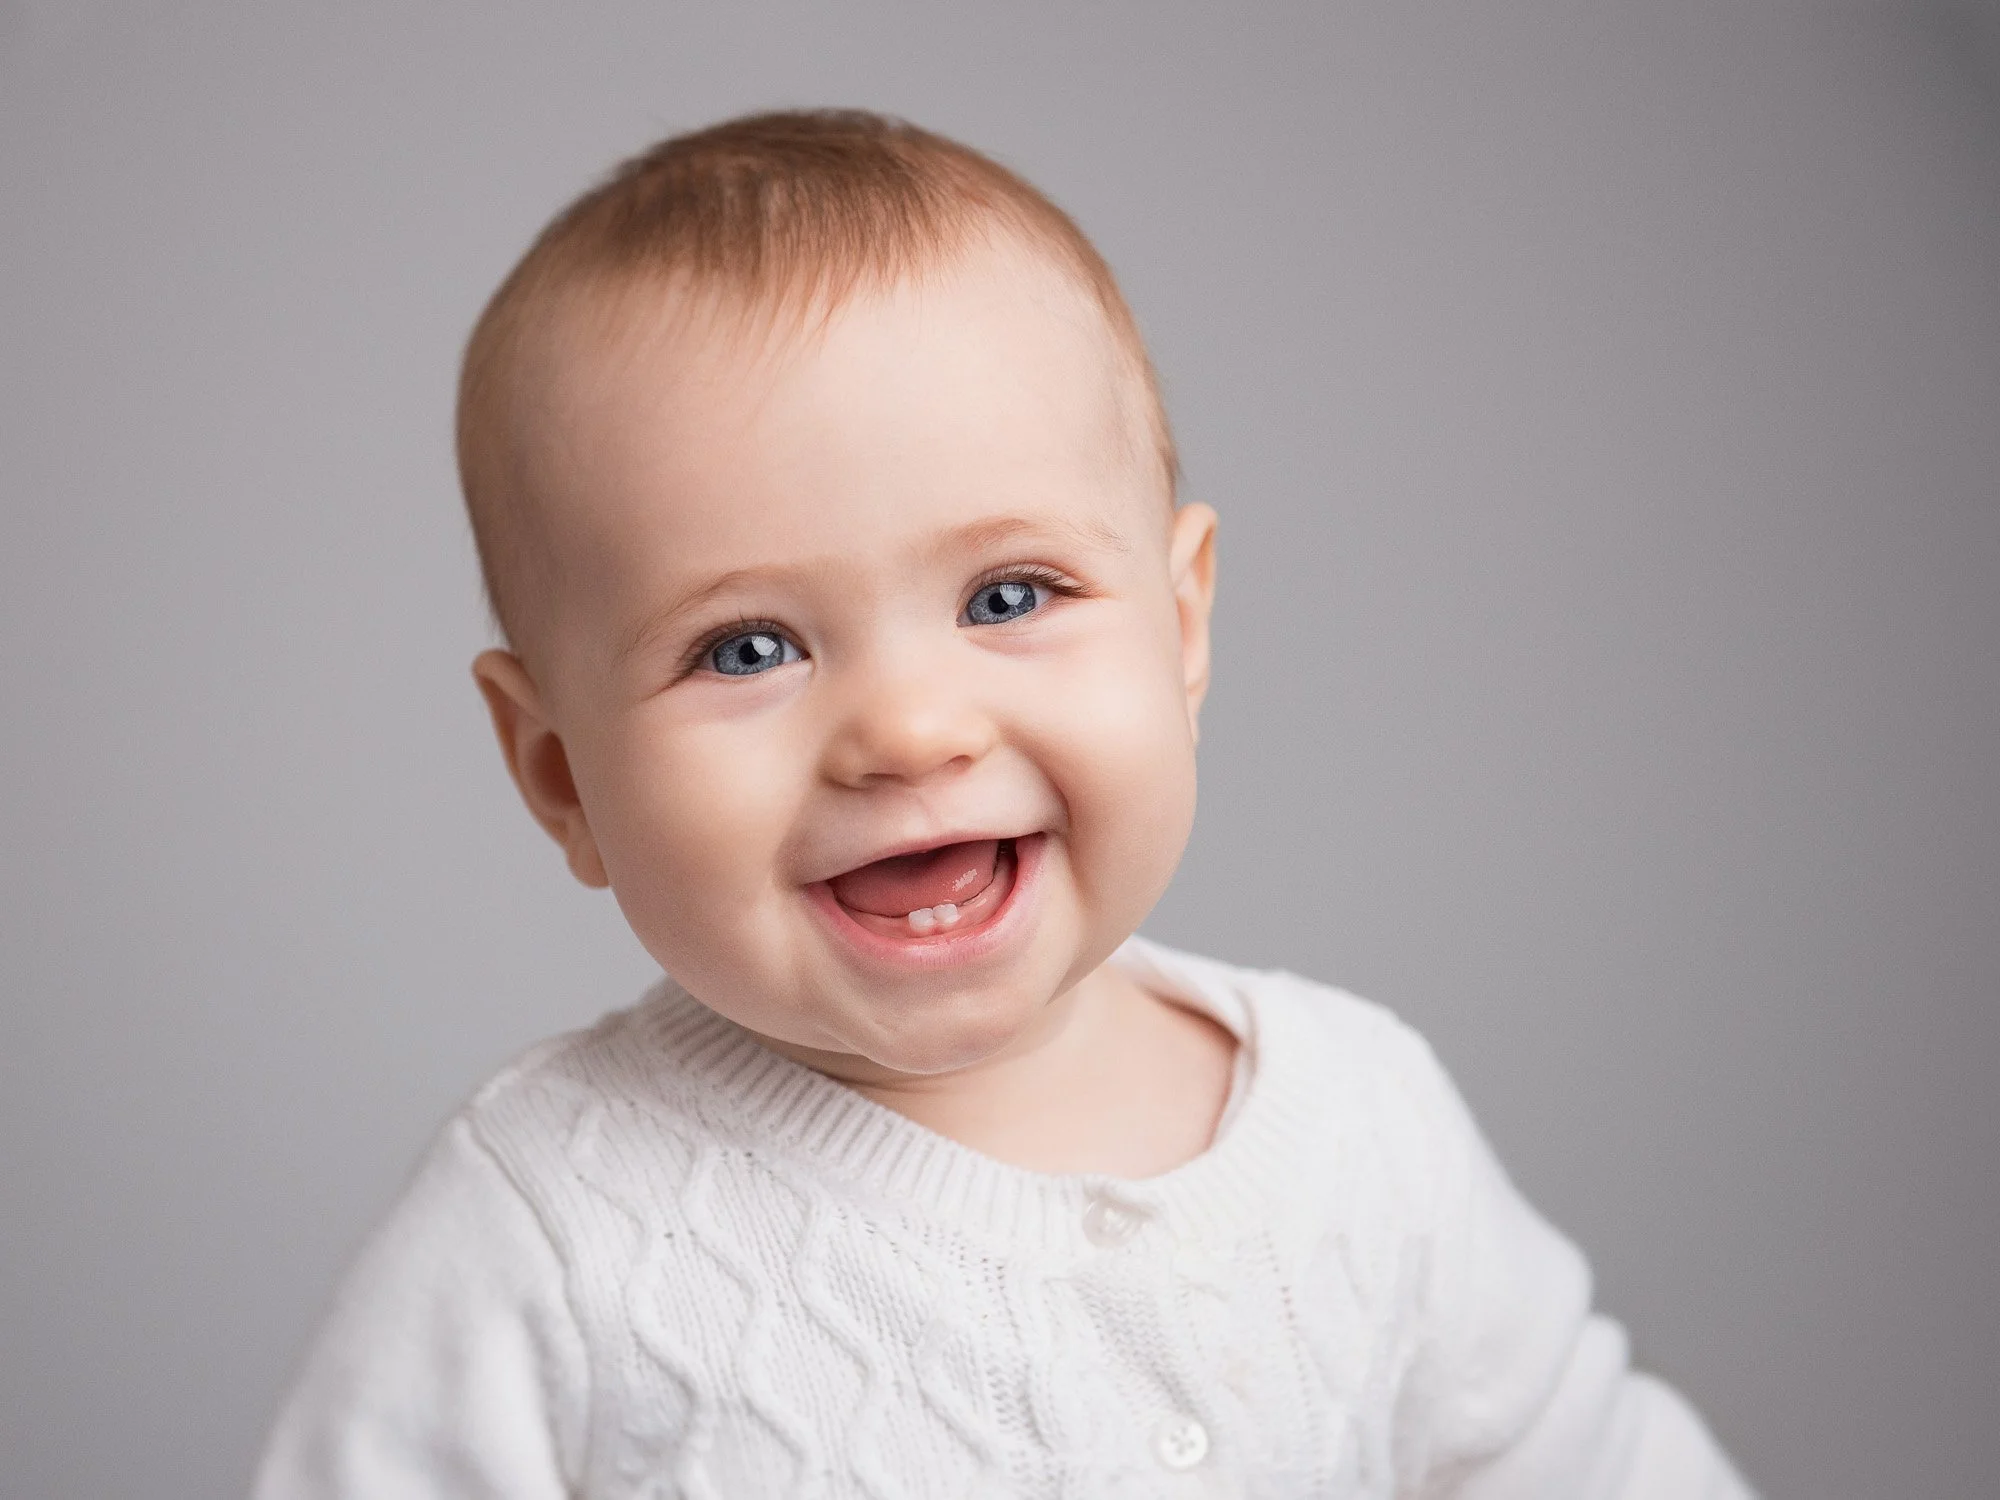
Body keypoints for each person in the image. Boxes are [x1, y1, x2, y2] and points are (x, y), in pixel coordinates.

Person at [255, 109, 1753, 1498]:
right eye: (747, 648)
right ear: (560, 773)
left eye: (1008, 593)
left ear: (1182, 624)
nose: (909, 729)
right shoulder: (552, 1232)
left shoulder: (1363, 1126)